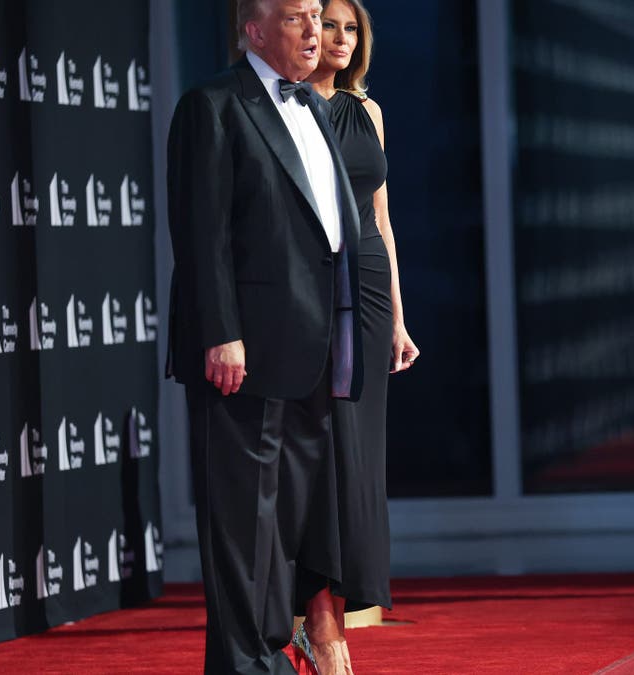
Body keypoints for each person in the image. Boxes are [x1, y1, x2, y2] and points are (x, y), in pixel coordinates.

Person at [164, 0, 365, 671]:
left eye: (317, 15)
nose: (315, 31)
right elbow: (202, 233)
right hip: (244, 352)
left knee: (282, 527)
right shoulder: (213, 106)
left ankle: (270, 653)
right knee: (242, 524)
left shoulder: (313, 108)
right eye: (297, 18)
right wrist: (221, 332)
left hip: (312, 350)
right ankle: (244, 664)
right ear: (253, 30)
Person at [290, 0, 419, 672]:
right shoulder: (283, 111)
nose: (338, 38)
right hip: (310, 289)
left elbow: (382, 220)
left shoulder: (367, 112)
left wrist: (397, 318)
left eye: (349, 29)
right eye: (327, 26)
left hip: (366, 291)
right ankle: (319, 623)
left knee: (359, 463)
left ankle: (331, 619)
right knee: (323, 457)